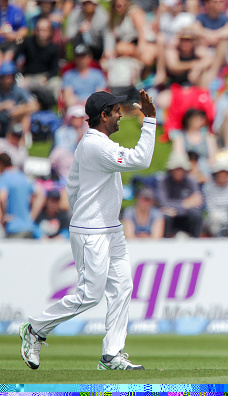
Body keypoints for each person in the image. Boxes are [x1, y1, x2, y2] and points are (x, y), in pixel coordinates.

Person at [19, 89, 156, 370]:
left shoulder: (96, 143)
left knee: (122, 287)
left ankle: (111, 354)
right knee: (88, 296)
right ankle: (35, 328)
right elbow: (140, 160)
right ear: (103, 116)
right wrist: (150, 120)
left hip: (111, 228)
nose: (121, 116)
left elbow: (74, 185)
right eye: (116, 111)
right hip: (92, 231)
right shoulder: (96, 145)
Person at [0, 152, 44, 238]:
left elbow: (2, 198)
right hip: (28, 227)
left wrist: (3, 218)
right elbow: (40, 194)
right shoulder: (23, 177)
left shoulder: (4, 178)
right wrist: (31, 217)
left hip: (12, 227)